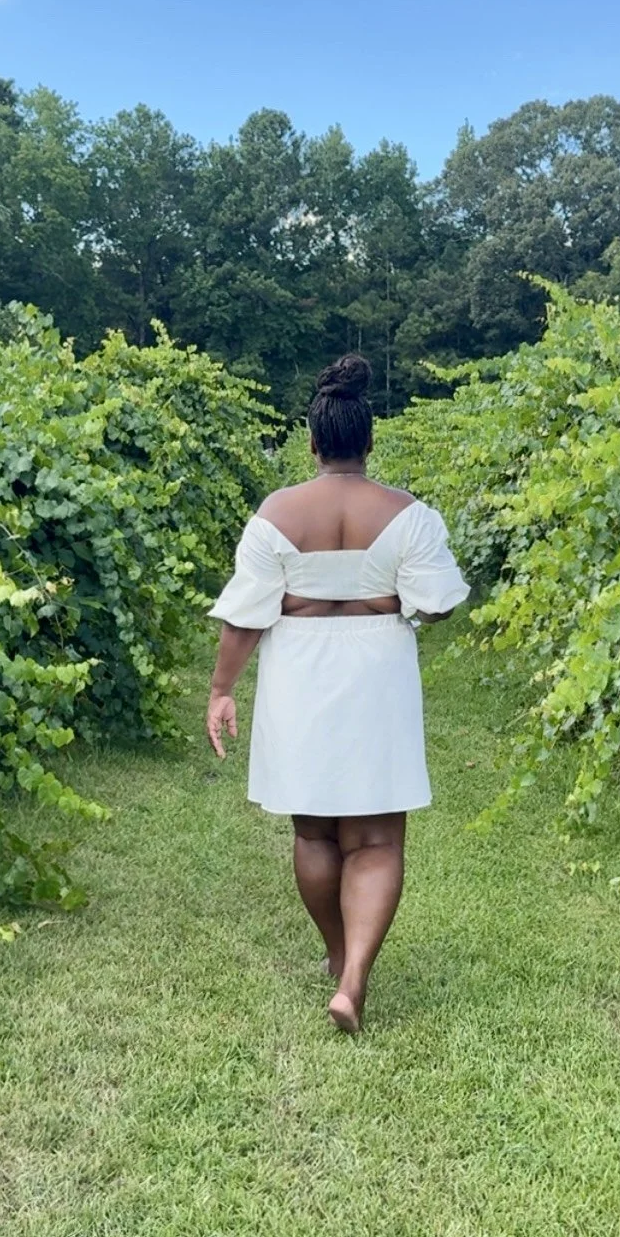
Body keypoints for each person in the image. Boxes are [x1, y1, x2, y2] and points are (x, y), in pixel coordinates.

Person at [206, 354, 469, 1034]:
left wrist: (221, 690)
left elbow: (246, 614)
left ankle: (334, 949)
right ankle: (354, 979)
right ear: (368, 441)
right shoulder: (409, 514)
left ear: (313, 442)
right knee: (378, 836)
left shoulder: (276, 513)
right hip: (377, 665)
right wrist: (394, 599)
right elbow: (438, 603)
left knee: (314, 827)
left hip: (300, 667)